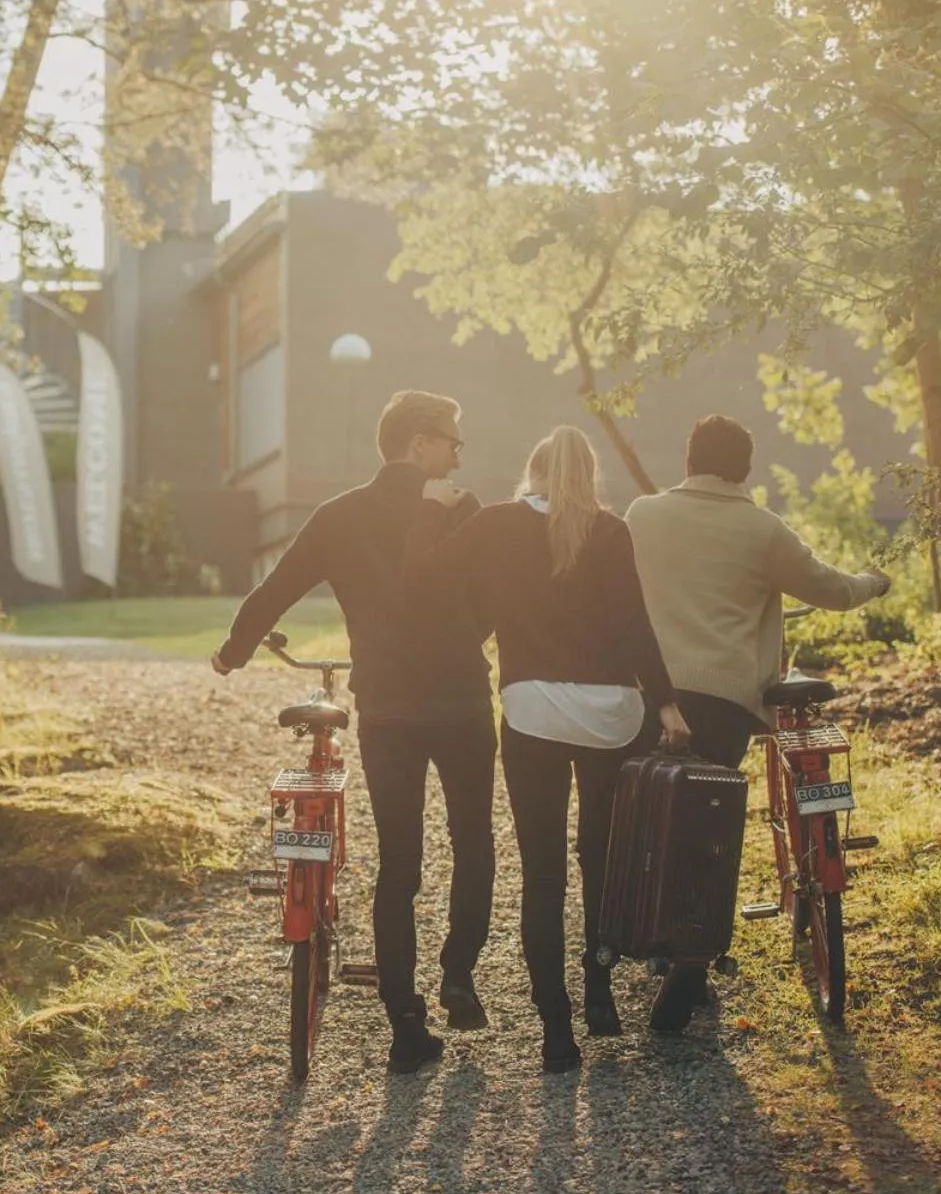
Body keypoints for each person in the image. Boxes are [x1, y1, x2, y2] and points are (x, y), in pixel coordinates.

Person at [211, 390, 496, 1075]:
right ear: (421, 443)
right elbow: (494, 598)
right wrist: (465, 641)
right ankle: (459, 976)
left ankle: (405, 1024)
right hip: (459, 699)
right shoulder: (462, 509)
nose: (459, 454)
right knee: (473, 838)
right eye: (453, 441)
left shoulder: (339, 516)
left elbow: (277, 587)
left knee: (399, 863)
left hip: (390, 708)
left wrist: (235, 650)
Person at [407, 426, 691, 1074]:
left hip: (533, 710)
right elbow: (633, 622)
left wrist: (433, 504)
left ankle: (556, 1029)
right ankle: (599, 993)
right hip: (610, 717)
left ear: (532, 470)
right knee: (600, 857)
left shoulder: (499, 525)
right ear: (589, 475)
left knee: (543, 875)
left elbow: (424, 574)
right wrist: (667, 702)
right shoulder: (612, 530)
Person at [625, 413, 891, 1032]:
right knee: (708, 829)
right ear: (744, 468)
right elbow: (830, 588)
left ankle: (655, 947)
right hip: (722, 703)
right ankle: (691, 967)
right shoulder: (761, 529)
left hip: (650, 694)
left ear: (688, 459)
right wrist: (873, 583)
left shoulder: (642, 515)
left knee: (653, 821)